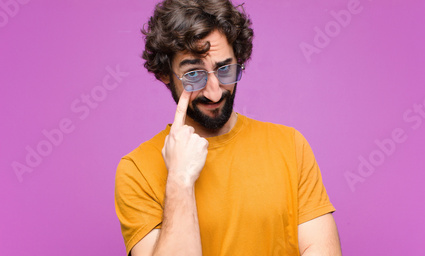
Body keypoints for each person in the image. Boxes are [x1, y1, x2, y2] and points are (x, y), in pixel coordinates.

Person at [114, 0, 342, 255]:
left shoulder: (290, 145)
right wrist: (179, 179)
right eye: (193, 75)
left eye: (224, 69)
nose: (214, 93)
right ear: (165, 74)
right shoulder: (136, 170)